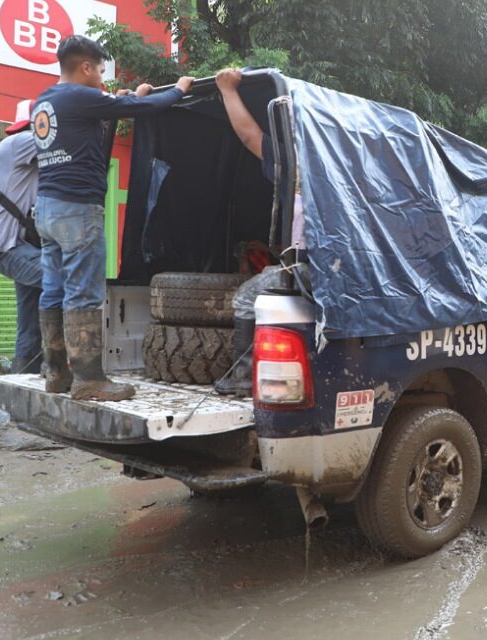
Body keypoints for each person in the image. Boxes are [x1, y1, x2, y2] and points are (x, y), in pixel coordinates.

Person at [32, 35, 193, 400]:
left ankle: (56, 373)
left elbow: (108, 109)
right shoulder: (81, 96)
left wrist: (127, 97)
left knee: (54, 290)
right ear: (85, 67)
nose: (103, 79)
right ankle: (90, 380)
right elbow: (145, 110)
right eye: (101, 71)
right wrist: (179, 90)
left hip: (47, 208)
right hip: (77, 209)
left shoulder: (46, 100)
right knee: (83, 292)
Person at [214, 67, 308, 396]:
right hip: (330, 267)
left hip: (309, 268)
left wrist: (227, 90)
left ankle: (242, 375)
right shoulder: (338, 166)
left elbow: (249, 135)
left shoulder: (296, 163)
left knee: (245, 297)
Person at [0, 100, 43, 375]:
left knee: (29, 314)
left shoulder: (25, 157)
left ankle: (26, 372)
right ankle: (67, 363)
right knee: (61, 279)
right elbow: (66, 143)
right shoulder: (21, 142)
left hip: (20, 246)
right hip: (7, 247)